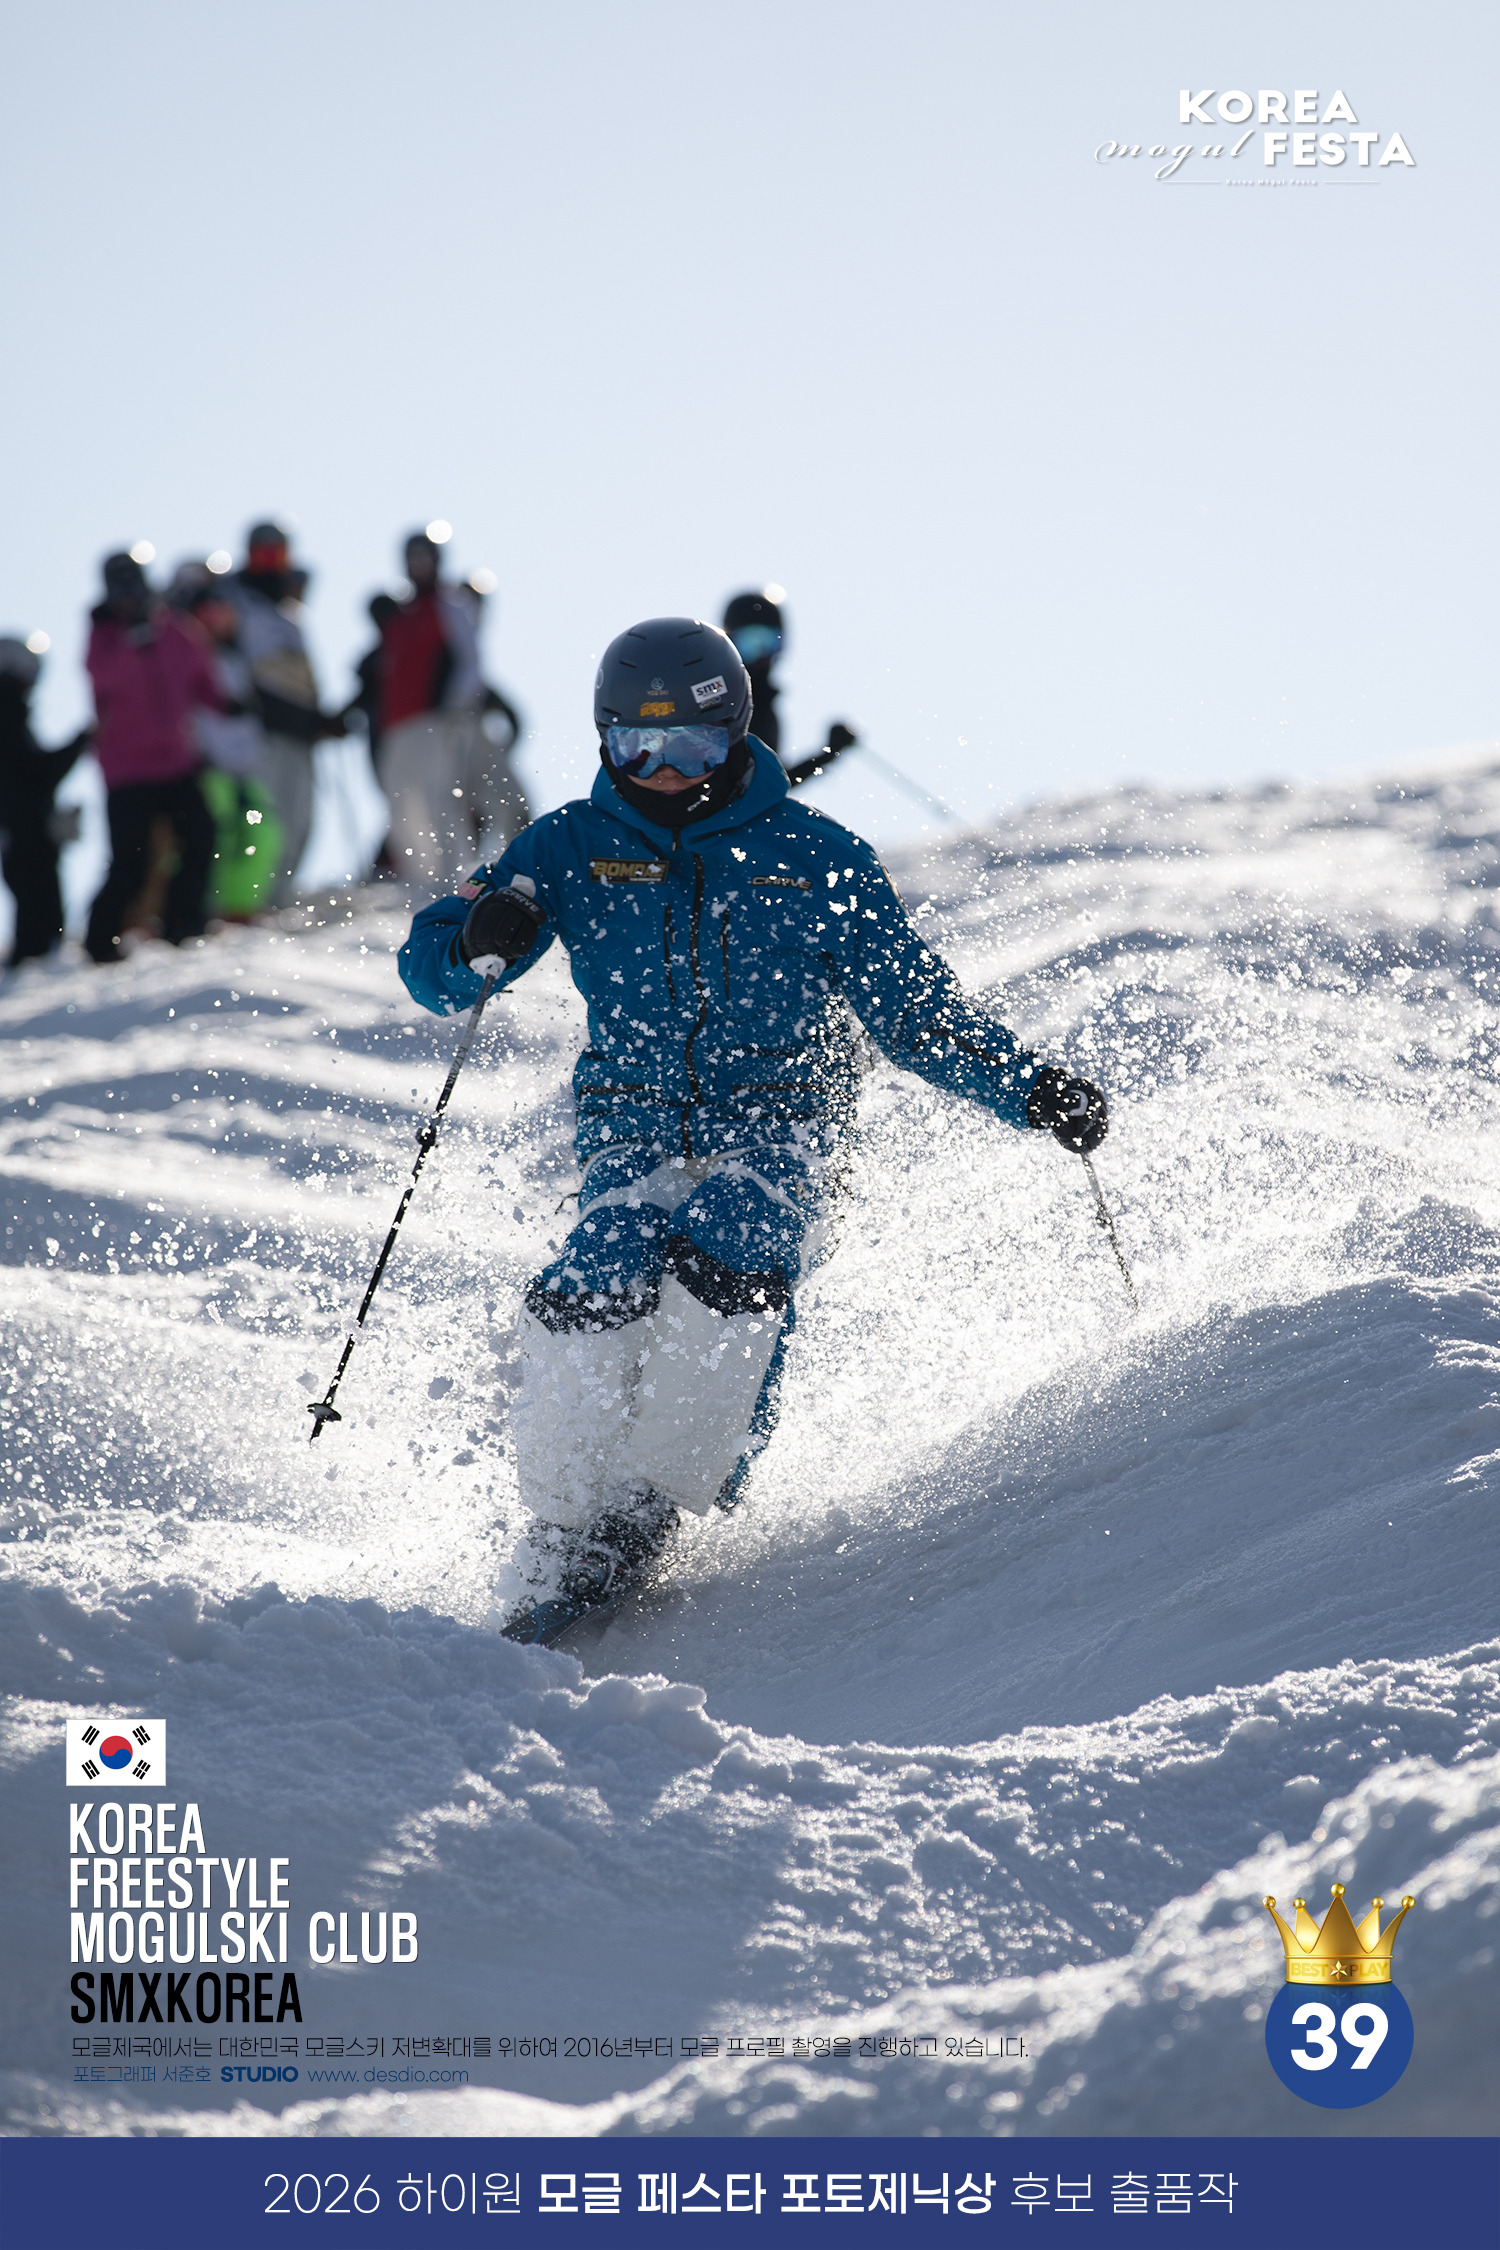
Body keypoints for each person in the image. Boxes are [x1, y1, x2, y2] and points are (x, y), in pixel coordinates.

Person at [399, 617, 1108, 1646]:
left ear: (735, 734)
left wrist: (1030, 1088)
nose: (663, 771)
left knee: (733, 1239)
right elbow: (433, 972)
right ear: (604, 739)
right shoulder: (569, 846)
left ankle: (656, 1494)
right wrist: (472, 937)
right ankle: (563, 1516)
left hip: (785, 1127)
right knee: (607, 1259)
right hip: (633, 1125)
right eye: (637, 745)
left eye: (691, 746)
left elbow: (915, 1016)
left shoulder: (814, 856)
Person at [83, 552, 222, 964]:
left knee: (201, 835)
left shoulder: (171, 626)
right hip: (127, 769)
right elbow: (101, 676)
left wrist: (226, 704)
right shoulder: (104, 635)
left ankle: (183, 925)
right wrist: (131, 643)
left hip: (176, 761)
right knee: (132, 859)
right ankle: (100, 942)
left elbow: (200, 673)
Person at [380, 531, 528, 884]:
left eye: (424, 558)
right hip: (399, 725)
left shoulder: (451, 605)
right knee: (405, 806)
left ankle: (452, 879)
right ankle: (418, 880)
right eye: (412, 559)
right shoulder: (402, 615)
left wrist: (458, 707)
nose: (418, 565)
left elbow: (469, 660)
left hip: (438, 720)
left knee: (442, 800)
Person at [226, 522, 341, 907]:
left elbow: (300, 676)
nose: (271, 562)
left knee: (300, 817)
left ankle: (277, 900)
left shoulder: (289, 612)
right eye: (263, 553)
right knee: (265, 816)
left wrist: (319, 718)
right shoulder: (238, 601)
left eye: (278, 554)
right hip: (263, 731)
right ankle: (250, 900)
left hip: (299, 732)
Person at [167, 562, 282, 916]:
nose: (214, 620)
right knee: (218, 833)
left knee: (262, 832)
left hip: (244, 770)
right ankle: (205, 908)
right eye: (205, 614)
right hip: (205, 768)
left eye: (220, 613)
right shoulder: (182, 660)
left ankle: (241, 907)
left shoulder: (238, 659)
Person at [0, 637, 91, 968]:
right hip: (25, 833)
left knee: (38, 916)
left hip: (20, 832)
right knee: (39, 920)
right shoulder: (7, 716)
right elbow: (37, 775)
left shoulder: (11, 716)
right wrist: (81, 741)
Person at [721, 588, 860, 787]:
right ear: (730, 643)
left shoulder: (764, 708)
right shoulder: (721, 700)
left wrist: (829, 753)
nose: (761, 655)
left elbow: (769, 783)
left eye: (768, 642)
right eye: (750, 643)